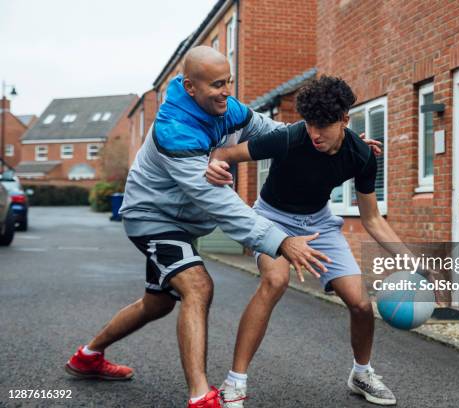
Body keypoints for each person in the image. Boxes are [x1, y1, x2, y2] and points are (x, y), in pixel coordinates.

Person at [63, 46, 331, 408]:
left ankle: (88, 355)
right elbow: (218, 203)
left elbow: (273, 132)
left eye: (229, 82)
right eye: (218, 84)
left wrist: (328, 138)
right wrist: (282, 242)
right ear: (190, 86)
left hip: (181, 223)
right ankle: (200, 396)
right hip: (154, 219)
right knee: (197, 286)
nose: (226, 91)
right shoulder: (174, 130)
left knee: (156, 304)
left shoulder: (226, 107)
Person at [206, 76, 409, 406]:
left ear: (345, 119)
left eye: (324, 125)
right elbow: (225, 153)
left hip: (320, 223)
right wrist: (214, 164)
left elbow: (372, 219)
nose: (315, 134)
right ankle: (235, 383)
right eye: (311, 124)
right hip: (272, 217)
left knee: (360, 303)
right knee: (275, 280)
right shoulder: (289, 138)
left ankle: (362, 373)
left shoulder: (361, 156)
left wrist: (410, 260)